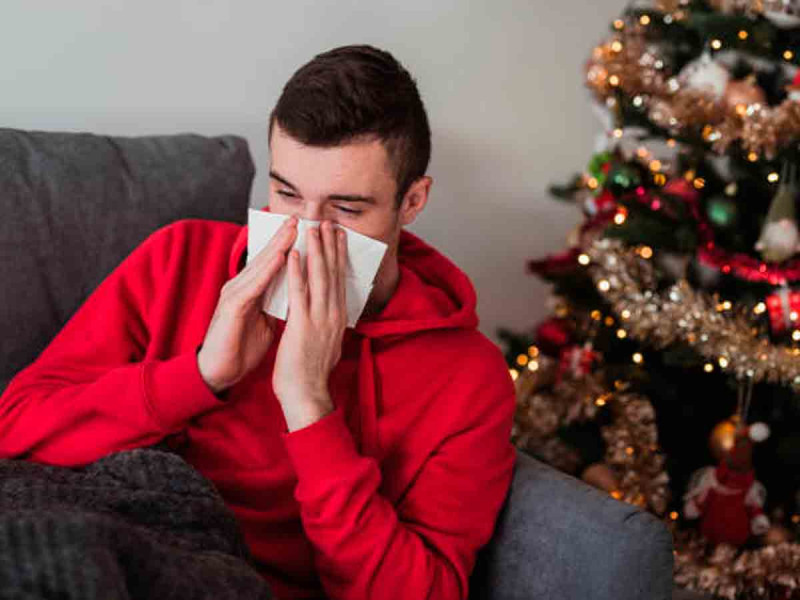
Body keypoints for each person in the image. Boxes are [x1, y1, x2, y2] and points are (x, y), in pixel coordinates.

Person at [0, 45, 516, 600]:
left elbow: (420, 592)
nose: (305, 233)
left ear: (412, 200)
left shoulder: (469, 378)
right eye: (286, 195)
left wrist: (309, 406)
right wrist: (200, 375)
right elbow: (15, 430)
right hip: (98, 526)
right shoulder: (179, 258)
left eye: (345, 209)